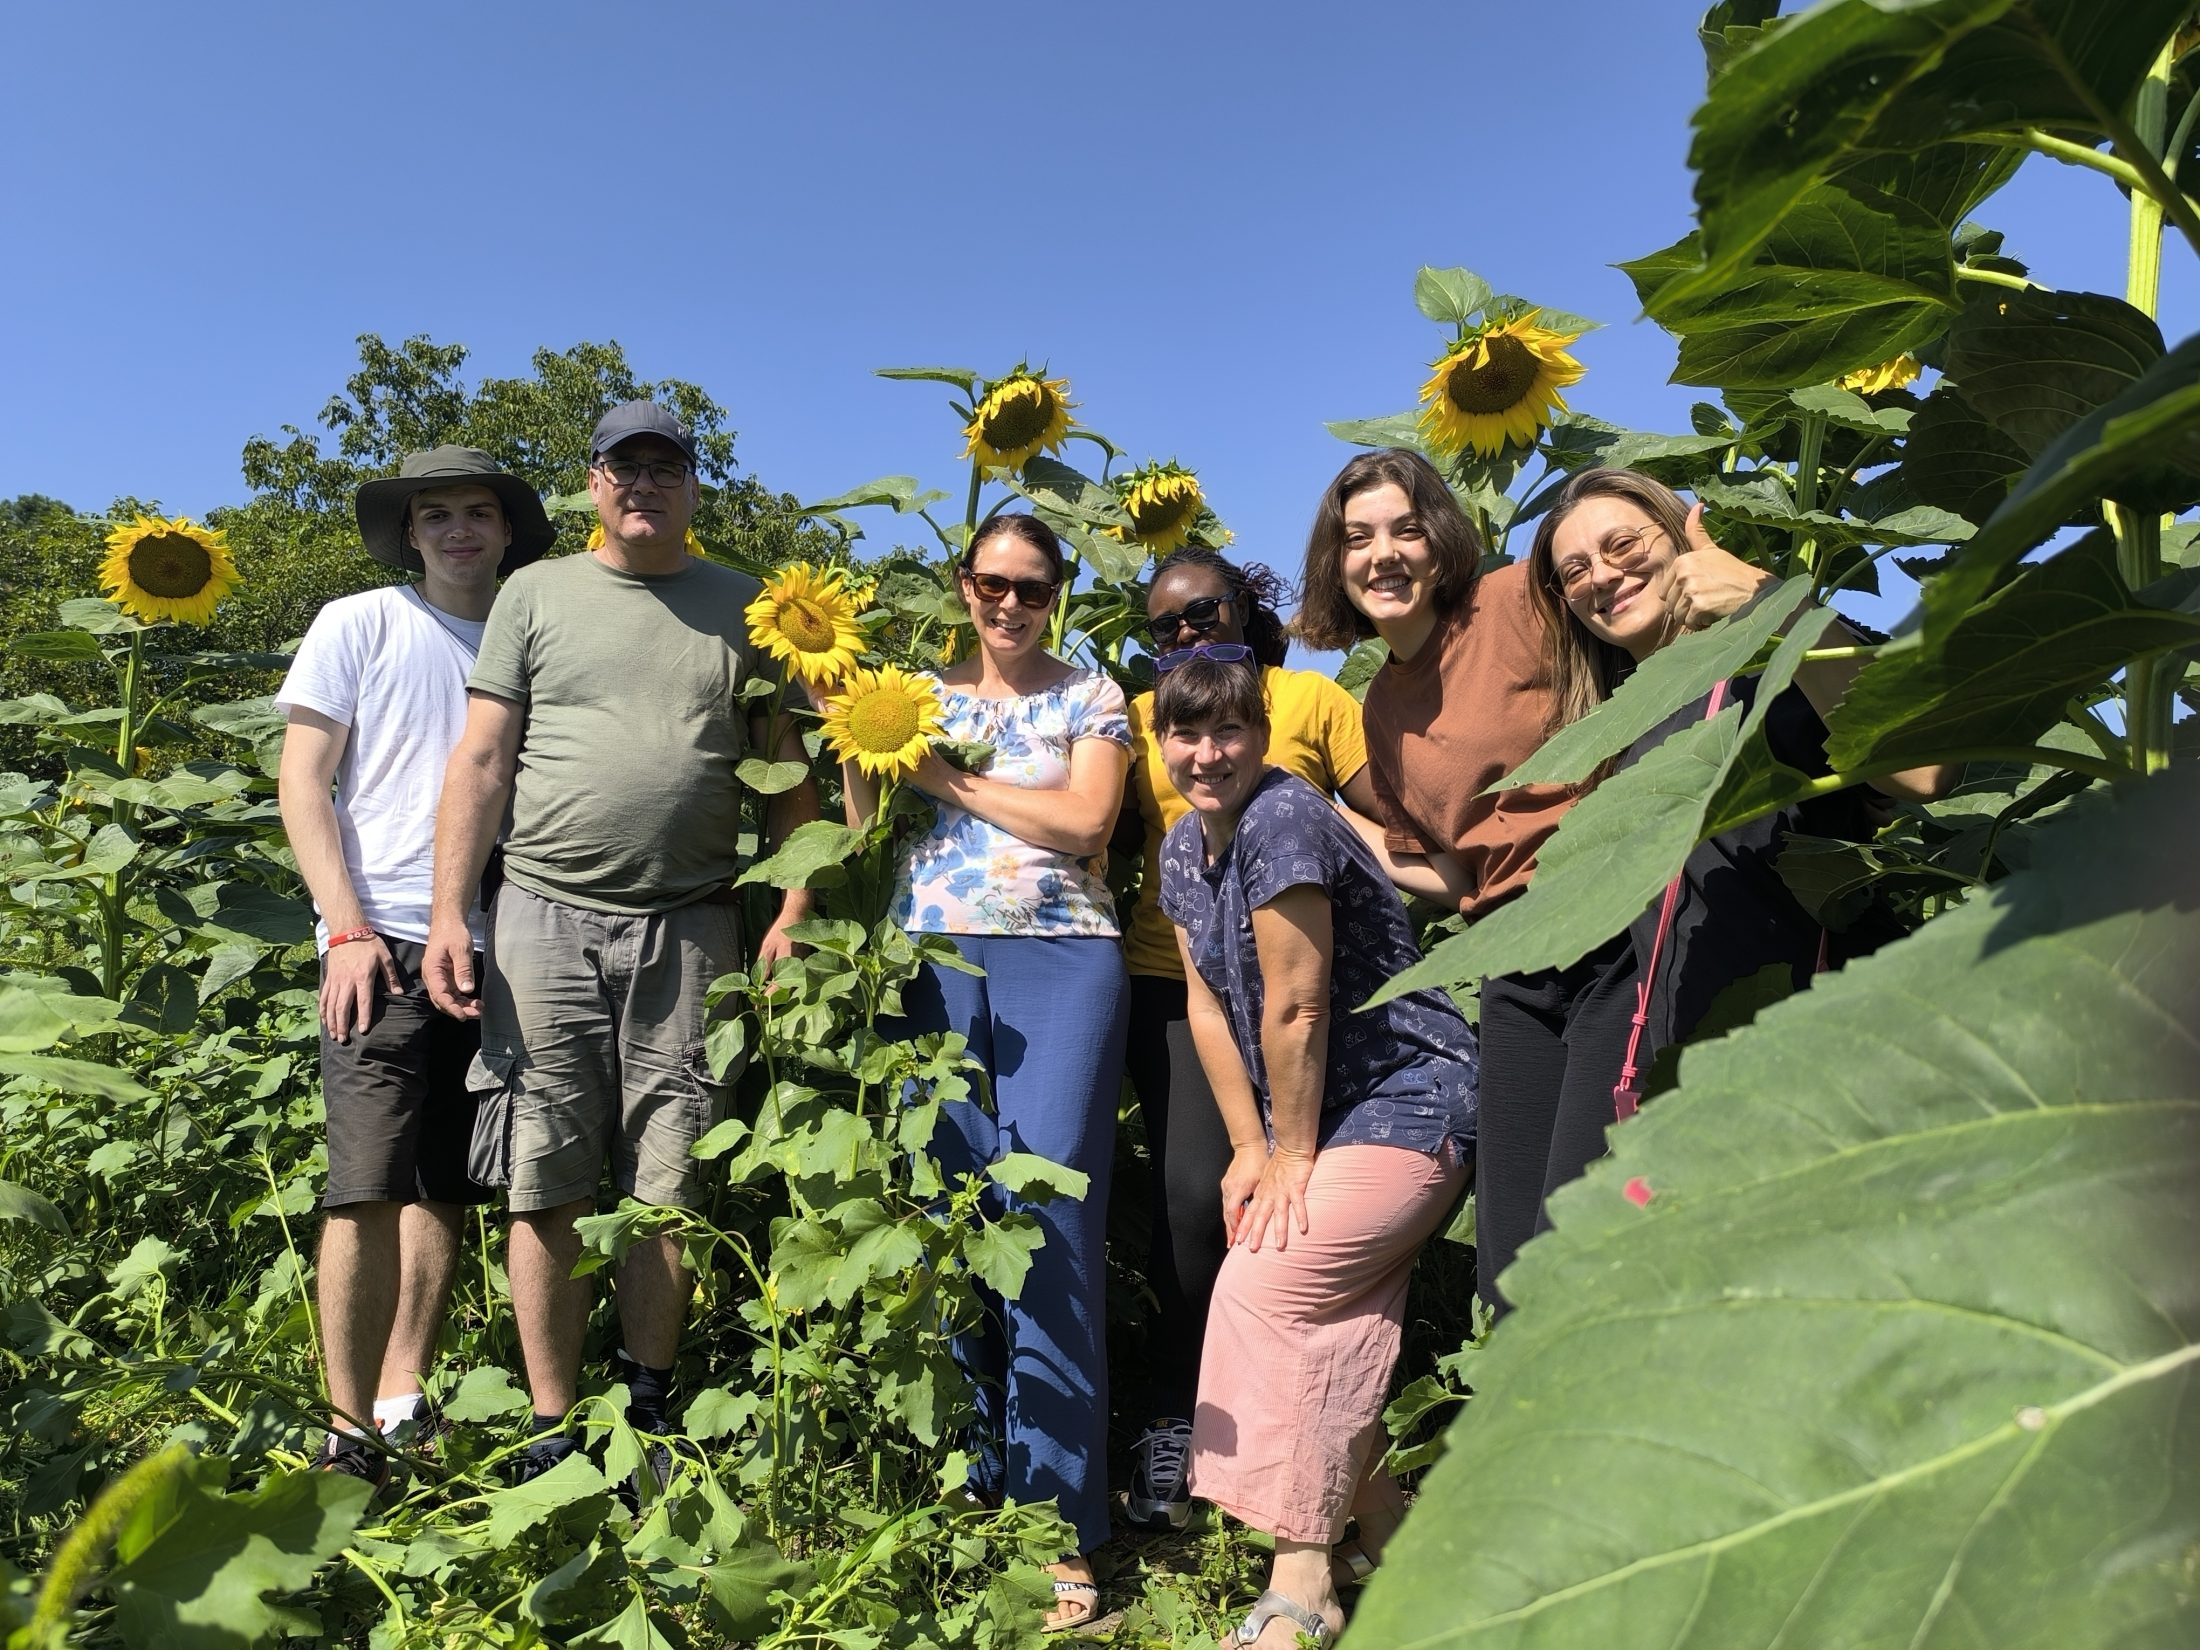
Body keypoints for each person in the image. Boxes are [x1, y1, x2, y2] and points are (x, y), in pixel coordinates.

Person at [422, 401, 819, 1486]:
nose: (643, 485)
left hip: (694, 924)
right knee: (543, 1171)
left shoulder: (747, 606)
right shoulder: (536, 593)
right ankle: (553, 1421)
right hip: (541, 917)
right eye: (623, 468)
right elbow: (483, 760)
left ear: (692, 487)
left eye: (665, 469)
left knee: (669, 1175)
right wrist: (453, 911)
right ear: (593, 483)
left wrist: (793, 908)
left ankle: (647, 1403)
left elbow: (788, 775)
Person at [830, 513, 1130, 1631]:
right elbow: (865, 827)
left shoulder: (1090, 695)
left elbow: (1087, 822)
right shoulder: (909, 695)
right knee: (952, 1210)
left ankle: (1057, 1523)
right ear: (963, 586)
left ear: (1057, 595)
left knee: (1046, 1216)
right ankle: (976, 1491)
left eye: (1033, 587)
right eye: (992, 584)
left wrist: (948, 780)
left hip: (1063, 957)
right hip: (935, 961)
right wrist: (850, 736)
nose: (1010, 604)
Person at [1154, 653, 1475, 1648]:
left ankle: (1304, 1582)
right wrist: (1249, 1147)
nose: (1207, 754)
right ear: (1161, 744)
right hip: (1317, 1118)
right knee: (1316, 1316)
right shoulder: (1180, 844)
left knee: (1268, 1286)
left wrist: (1291, 1153)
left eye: (1228, 731)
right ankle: (1388, 1537)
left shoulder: (1283, 818)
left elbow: (1296, 1005)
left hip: (1409, 1097)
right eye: (1184, 734)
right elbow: (1208, 1006)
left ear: (1262, 736)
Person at [276, 446, 557, 1485]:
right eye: (435, 515)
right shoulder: (361, 622)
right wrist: (344, 928)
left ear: (507, 530)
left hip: (506, 940)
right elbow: (303, 782)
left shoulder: (536, 634)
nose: (457, 531)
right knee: (363, 1186)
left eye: (477, 512)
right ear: (409, 534)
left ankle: (403, 1397)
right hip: (382, 939)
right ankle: (344, 1431)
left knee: (447, 1179)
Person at [1294, 447, 1622, 1317]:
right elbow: (1451, 870)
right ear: (1335, 564)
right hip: (1514, 956)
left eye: (1405, 529)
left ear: (1440, 543)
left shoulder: (1513, 601)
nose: (1383, 554)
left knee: (1583, 1227)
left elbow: (1622, 591)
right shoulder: (1381, 709)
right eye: (1357, 538)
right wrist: (1322, 815)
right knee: (1508, 1261)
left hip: (1611, 923)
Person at [1116, 548, 1381, 1533]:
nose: (1188, 630)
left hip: (1311, 991)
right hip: (1180, 985)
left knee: (1308, 1207)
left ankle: (1302, 1433)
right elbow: (1114, 839)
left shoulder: (1307, 699)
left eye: (1205, 609)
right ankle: (1178, 1414)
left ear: (1245, 606)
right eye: (1167, 623)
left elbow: (1384, 818)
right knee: (1194, 1198)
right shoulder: (1143, 718)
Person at [1524, 466, 1954, 1067]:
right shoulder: (1618, 730)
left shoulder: (1773, 663)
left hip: (1836, 1045)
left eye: (1622, 545)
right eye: (1574, 571)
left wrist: (1773, 604)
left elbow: (1925, 769)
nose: (1601, 575)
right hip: (1702, 1066)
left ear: (1679, 533)